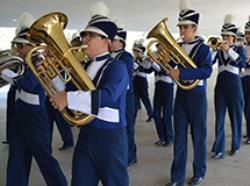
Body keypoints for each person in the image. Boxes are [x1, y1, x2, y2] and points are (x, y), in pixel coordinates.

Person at [50, 2, 129, 186]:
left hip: (110, 138)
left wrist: (67, 98)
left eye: (91, 35)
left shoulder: (118, 67)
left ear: (105, 41)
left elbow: (108, 96)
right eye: (84, 35)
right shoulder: (84, 66)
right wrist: (53, 75)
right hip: (86, 134)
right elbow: (69, 91)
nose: (85, 39)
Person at [6, 12, 67, 186]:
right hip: (21, 111)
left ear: (29, 46)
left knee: (44, 157)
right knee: (17, 155)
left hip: (35, 114)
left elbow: (29, 85)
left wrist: (5, 73)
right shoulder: (25, 60)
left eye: (21, 45)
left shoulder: (39, 59)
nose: (18, 49)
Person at [166, 0, 212, 185]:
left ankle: (199, 172)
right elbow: (169, 68)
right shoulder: (176, 47)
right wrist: (167, 62)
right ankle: (176, 177)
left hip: (197, 96)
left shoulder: (204, 48)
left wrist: (182, 73)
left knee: (198, 137)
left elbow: (206, 71)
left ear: (195, 28)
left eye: (185, 27)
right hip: (182, 96)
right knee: (179, 139)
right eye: (180, 27)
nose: (182, 31)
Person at [211, 14, 245, 159]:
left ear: (233, 38)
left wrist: (228, 50)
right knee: (219, 118)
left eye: (227, 36)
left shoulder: (238, 49)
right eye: (223, 35)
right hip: (220, 87)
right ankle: (218, 148)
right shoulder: (218, 50)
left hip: (234, 87)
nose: (224, 38)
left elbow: (241, 63)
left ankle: (235, 145)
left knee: (235, 117)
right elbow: (209, 63)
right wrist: (213, 50)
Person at [110, 18, 137, 166]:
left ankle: (131, 155)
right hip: (117, 96)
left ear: (121, 41)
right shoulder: (110, 55)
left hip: (126, 96)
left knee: (127, 128)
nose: (110, 42)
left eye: (113, 40)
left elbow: (122, 78)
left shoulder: (126, 56)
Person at [151, 44, 174, 147]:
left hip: (167, 86)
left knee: (167, 114)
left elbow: (165, 70)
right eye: (158, 46)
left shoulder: (171, 57)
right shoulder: (156, 56)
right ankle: (161, 136)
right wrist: (150, 62)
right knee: (155, 113)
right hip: (158, 85)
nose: (159, 48)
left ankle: (169, 137)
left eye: (161, 45)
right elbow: (148, 70)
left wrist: (155, 63)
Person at [132, 40, 153, 123]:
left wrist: (141, 62)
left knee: (145, 99)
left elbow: (147, 68)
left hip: (142, 81)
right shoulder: (133, 59)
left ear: (140, 52)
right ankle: (133, 118)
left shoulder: (145, 60)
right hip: (135, 80)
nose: (134, 53)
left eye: (136, 51)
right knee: (135, 100)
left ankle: (151, 114)